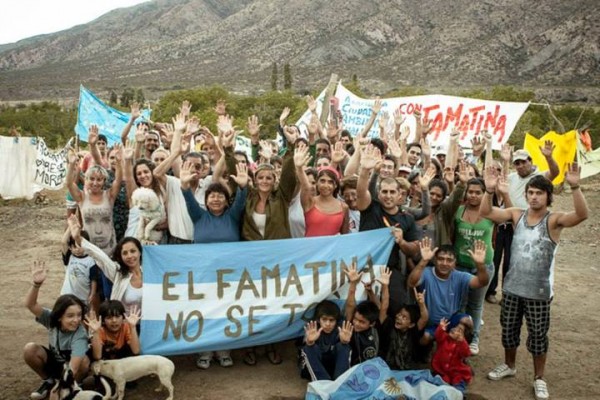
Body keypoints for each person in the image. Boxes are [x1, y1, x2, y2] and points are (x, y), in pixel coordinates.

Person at [481, 164, 588, 400]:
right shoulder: (516, 214)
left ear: (548, 196)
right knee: (508, 332)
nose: (533, 196)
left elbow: (581, 215)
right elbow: (486, 213)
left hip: (538, 291)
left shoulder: (554, 220)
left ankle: (539, 378)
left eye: (539, 193)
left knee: (538, 336)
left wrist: (575, 186)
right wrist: (489, 191)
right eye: (530, 192)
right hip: (511, 288)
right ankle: (509, 366)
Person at [357, 144, 420, 310]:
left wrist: (402, 242)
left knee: (395, 306)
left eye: (393, 192)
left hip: (390, 270)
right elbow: (361, 192)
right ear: (378, 194)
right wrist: (365, 171)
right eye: (384, 192)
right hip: (363, 267)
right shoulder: (370, 208)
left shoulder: (407, 219)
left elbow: (414, 250)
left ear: (400, 195)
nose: (388, 196)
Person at [23, 261, 91, 400]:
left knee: (84, 361)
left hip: (71, 369)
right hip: (56, 363)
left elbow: (74, 368)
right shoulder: (51, 319)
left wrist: (61, 387)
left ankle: (73, 386)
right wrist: (36, 285)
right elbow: (30, 305)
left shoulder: (80, 334)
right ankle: (48, 381)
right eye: (70, 316)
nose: (76, 320)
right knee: (30, 349)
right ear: (59, 316)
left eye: (79, 315)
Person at [407, 238, 489, 346]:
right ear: (435, 260)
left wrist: (480, 264)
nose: (445, 263)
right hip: (429, 323)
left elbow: (482, 282)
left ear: (455, 263)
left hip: (451, 321)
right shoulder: (426, 273)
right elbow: (411, 283)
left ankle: (461, 351)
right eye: (441, 259)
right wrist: (424, 261)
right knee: (424, 340)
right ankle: (424, 351)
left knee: (467, 321)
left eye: (449, 260)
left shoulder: (459, 276)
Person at [453, 178, 496, 355]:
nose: (473, 195)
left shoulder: (492, 212)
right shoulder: (458, 211)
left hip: (483, 266)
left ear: (484, 193)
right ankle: (459, 337)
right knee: (460, 304)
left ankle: (474, 339)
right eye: (470, 191)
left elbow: (513, 213)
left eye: (478, 192)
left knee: (476, 306)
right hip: (460, 266)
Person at [68, 215, 144, 314]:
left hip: (149, 326)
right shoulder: (118, 273)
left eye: (133, 251)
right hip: (125, 326)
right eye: (125, 253)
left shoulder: (150, 273)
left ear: (140, 252)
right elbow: (100, 257)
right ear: (120, 256)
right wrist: (78, 238)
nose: (129, 256)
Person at [343, 263, 392, 366]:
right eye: (356, 319)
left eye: (362, 322)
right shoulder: (350, 326)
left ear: (372, 324)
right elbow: (350, 304)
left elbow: (384, 306)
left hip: (375, 370)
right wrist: (353, 283)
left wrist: (385, 286)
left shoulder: (377, 328)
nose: (356, 323)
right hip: (353, 371)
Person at [296, 143, 349, 237]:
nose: (326, 185)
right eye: (322, 181)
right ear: (317, 183)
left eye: (330, 182)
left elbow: (345, 237)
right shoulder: (309, 202)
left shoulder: (344, 207)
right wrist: (299, 168)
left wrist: (334, 162)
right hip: (310, 250)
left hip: (333, 251)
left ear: (335, 185)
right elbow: (305, 187)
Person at [300, 300, 353, 381]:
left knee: (344, 347)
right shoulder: (312, 329)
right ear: (318, 319)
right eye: (324, 319)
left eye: (331, 320)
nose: (328, 324)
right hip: (315, 368)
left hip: (333, 368)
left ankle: (339, 382)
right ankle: (322, 383)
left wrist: (344, 342)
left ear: (336, 321)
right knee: (309, 348)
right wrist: (310, 342)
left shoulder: (341, 330)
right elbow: (307, 350)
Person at [379, 287, 429, 371]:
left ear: (411, 325)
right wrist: (385, 285)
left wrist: (421, 304)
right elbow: (384, 307)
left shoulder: (413, 332)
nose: (399, 317)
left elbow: (424, 319)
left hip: (407, 370)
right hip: (385, 368)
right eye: (399, 314)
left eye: (404, 317)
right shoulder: (389, 326)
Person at [431, 317, 474, 393]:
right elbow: (438, 336)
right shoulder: (444, 338)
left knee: (458, 385)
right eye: (455, 327)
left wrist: (462, 342)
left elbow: (466, 353)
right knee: (436, 383)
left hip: (456, 373)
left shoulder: (461, 345)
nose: (455, 329)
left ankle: (459, 395)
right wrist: (441, 327)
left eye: (459, 330)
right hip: (441, 371)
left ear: (463, 337)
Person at [60, 227, 98, 309]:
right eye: (74, 246)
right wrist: (71, 227)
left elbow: (93, 279)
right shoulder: (69, 258)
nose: (77, 249)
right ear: (70, 247)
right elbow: (63, 242)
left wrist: (92, 294)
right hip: (66, 296)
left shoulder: (91, 261)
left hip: (83, 298)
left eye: (80, 246)